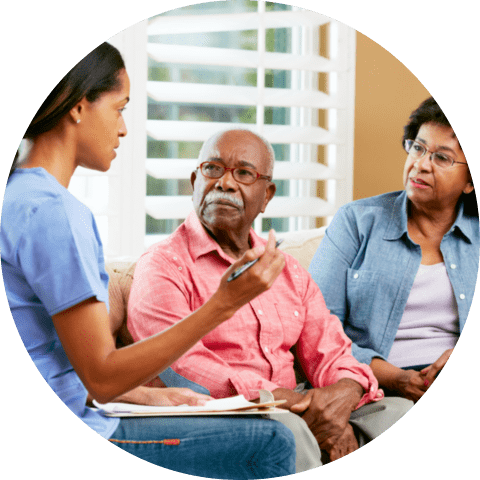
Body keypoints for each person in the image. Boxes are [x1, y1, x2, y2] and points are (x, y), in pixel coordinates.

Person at [0, 42, 297, 479]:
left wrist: (145, 395)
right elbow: (101, 375)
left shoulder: (19, 196)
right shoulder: (54, 212)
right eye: (120, 108)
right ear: (79, 107)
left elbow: (54, 357)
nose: (122, 129)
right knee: (271, 442)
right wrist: (224, 303)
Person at [127, 128, 413, 470]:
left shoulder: (286, 269)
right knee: (288, 429)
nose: (225, 184)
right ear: (194, 182)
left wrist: (345, 392)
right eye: (213, 169)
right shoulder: (163, 265)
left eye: (244, 173)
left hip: (292, 408)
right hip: (218, 416)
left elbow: (331, 349)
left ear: (267, 195)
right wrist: (293, 403)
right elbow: (181, 367)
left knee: (396, 412)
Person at [308, 96, 479, 403]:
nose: (421, 164)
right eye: (418, 147)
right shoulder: (357, 222)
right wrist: (396, 378)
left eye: (442, 158)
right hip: (375, 385)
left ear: (470, 182)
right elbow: (317, 326)